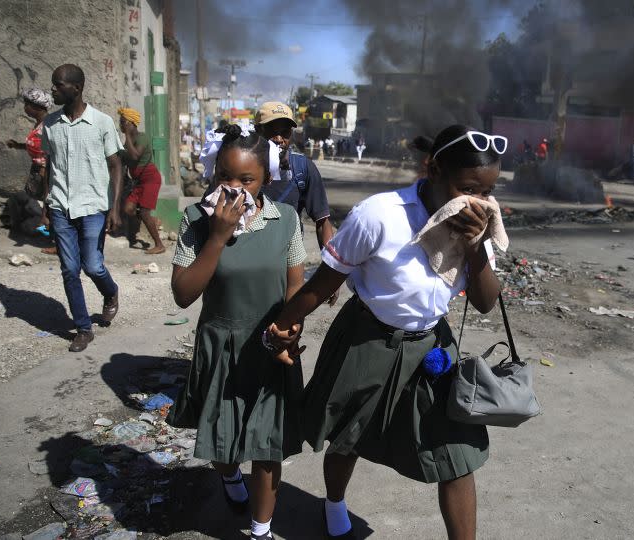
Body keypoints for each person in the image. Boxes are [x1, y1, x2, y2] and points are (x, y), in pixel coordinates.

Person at [265, 124, 505, 539]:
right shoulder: (379, 215)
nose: (478, 202)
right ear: (433, 170)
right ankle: (334, 502)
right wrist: (283, 325)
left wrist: (475, 247)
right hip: (368, 340)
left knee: (457, 455)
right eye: (468, 188)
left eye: (486, 191)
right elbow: (325, 283)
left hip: (432, 346)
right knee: (347, 437)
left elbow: (485, 302)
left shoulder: (475, 228)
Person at [167, 124, 305, 540]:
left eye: (246, 179)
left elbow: (295, 285)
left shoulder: (285, 220)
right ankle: (228, 477)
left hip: (269, 347)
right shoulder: (196, 219)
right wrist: (219, 236)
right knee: (222, 441)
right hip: (220, 344)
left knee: (266, 449)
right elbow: (183, 295)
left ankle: (260, 530)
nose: (234, 188)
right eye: (224, 177)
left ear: (265, 179)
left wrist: (290, 330)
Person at [42, 64, 123, 352]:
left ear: (76, 88)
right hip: (61, 206)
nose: (53, 89)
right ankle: (83, 329)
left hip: (93, 207)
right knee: (69, 269)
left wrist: (114, 209)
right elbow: (49, 168)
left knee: (92, 265)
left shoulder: (101, 122)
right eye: (53, 84)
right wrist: (46, 205)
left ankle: (110, 292)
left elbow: (116, 166)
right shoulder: (50, 125)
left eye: (58, 85)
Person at [255, 102, 337, 305]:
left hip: (287, 263)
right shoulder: (241, 167)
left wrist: (331, 274)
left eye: (285, 133)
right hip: (248, 259)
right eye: (272, 132)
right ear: (258, 131)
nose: (279, 139)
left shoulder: (303, 168)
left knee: (285, 321)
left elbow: (322, 222)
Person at [7, 87, 56, 253]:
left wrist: (44, 171)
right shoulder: (40, 124)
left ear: (37, 106)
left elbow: (49, 152)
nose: (25, 108)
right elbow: (37, 146)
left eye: (27, 104)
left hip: (44, 171)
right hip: (38, 170)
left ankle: (57, 243)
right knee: (35, 202)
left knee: (50, 205)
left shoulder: (47, 126)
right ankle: (45, 231)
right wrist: (19, 145)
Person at [117, 107, 165, 254]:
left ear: (131, 123)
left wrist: (127, 137)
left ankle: (159, 245)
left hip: (150, 178)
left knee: (144, 212)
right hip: (139, 181)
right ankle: (152, 221)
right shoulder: (128, 142)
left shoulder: (142, 137)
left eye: (123, 122)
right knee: (128, 208)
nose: (121, 125)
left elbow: (135, 155)